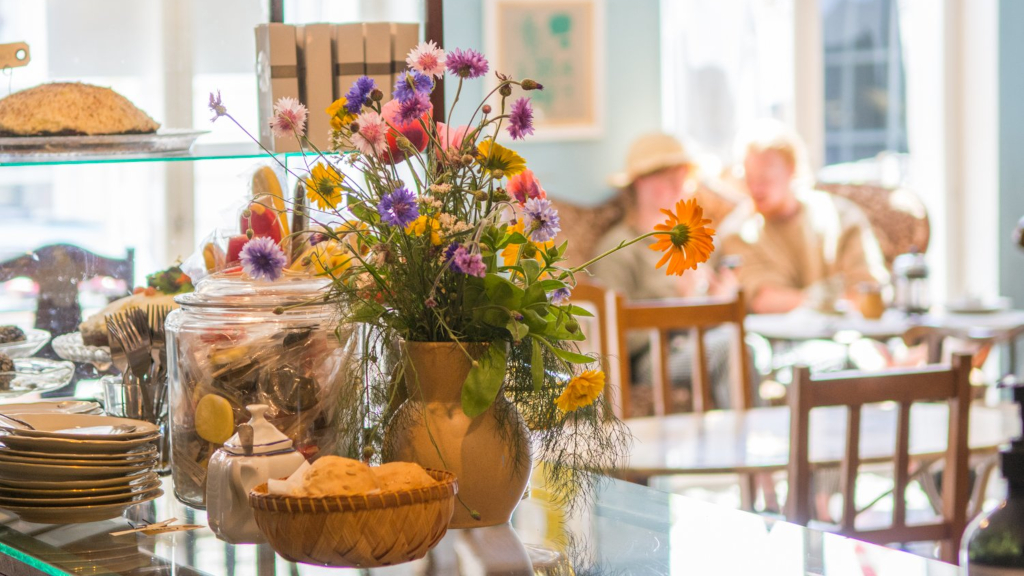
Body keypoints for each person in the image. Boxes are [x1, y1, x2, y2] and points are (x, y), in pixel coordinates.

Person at [589, 133, 743, 414]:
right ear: (640, 182)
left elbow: (717, 305)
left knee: (745, 345)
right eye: (666, 178)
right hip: (655, 357)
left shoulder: (701, 239)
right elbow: (611, 332)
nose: (678, 187)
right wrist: (680, 305)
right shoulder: (618, 249)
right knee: (731, 350)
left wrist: (722, 301)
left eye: (682, 177)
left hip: (705, 339)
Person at [719, 119, 890, 314]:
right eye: (749, 179)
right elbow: (763, 299)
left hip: (848, 333)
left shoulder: (842, 217)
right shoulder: (739, 231)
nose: (756, 188)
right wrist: (829, 303)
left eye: (765, 178)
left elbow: (868, 291)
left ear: (791, 169)